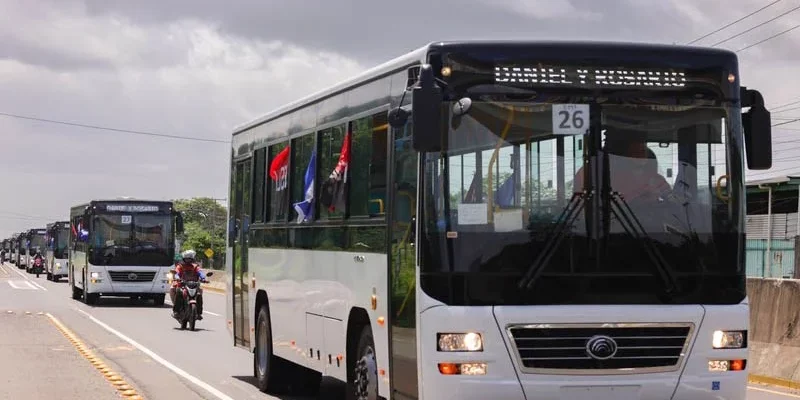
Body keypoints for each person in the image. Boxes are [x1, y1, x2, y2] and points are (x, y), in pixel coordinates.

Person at [170, 249, 208, 319]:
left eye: (190, 259)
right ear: (184, 259)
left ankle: (199, 313)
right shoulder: (180, 266)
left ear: (192, 259)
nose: (188, 261)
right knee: (179, 292)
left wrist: (203, 278)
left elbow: (200, 272)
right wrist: (177, 278)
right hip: (182, 285)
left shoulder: (195, 266)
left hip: (194, 285)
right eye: (187, 259)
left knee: (199, 295)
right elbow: (177, 273)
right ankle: (176, 312)